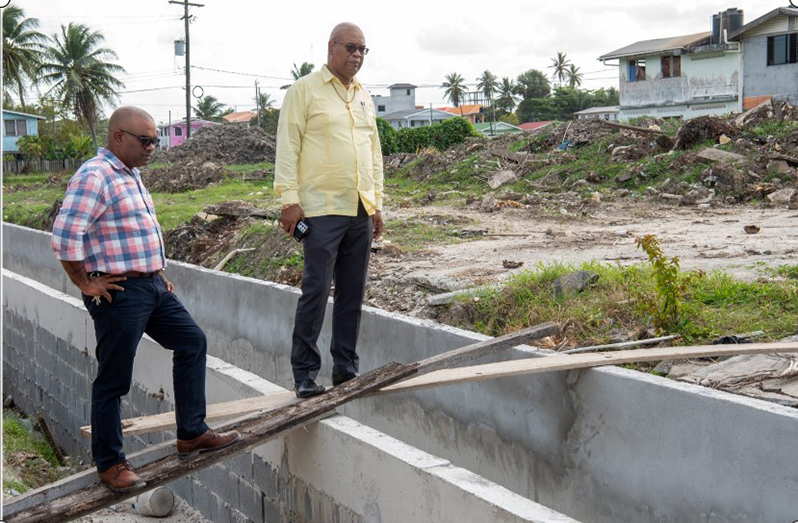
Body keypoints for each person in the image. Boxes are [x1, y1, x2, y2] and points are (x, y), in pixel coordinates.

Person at [51, 107, 240, 493]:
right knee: (114, 379)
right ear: (118, 137)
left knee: (192, 341)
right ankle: (110, 463)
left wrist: (156, 271)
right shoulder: (95, 175)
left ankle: (191, 432)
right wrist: (85, 283)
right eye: (146, 140)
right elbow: (64, 236)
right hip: (119, 292)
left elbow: (133, 232)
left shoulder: (130, 174)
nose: (153, 147)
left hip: (152, 285)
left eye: (155, 139)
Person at [275, 22, 384, 399]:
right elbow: (287, 148)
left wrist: (377, 203)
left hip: (359, 209)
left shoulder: (364, 97)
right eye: (351, 48)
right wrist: (289, 201)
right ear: (331, 48)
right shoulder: (304, 92)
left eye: (362, 50)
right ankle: (305, 373)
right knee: (316, 289)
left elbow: (374, 154)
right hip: (320, 210)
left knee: (353, 292)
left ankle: (346, 368)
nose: (357, 55)